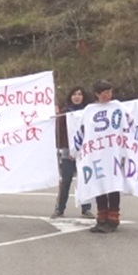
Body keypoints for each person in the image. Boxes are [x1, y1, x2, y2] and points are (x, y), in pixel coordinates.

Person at [87, 80, 123, 233]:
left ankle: (113, 218)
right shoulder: (90, 109)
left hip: (113, 153)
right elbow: (83, 128)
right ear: (97, 94)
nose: (109, 95)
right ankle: (101, 217)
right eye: (105, 92)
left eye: (110, 92)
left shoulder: (117, 106)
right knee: (99, 185)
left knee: (112, 185)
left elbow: (129, 123)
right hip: (97, 153)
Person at [52, 86, 93, 219]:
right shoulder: (65, 113)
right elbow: (59, 131)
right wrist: (58, 116)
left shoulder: (89, 112)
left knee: (85, 180)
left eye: (79, 94)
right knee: (66, 181)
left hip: (85, 152)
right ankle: (59, 208)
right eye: (74, 94)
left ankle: (86, 208)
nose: (77, 97)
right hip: (68, 151)